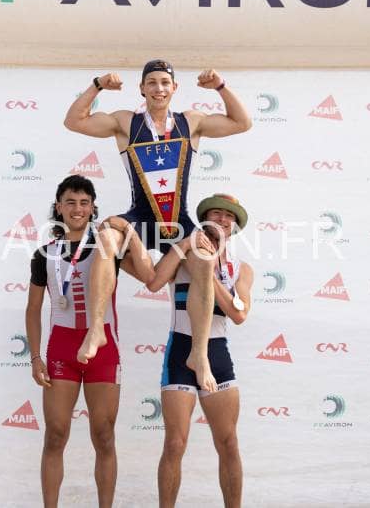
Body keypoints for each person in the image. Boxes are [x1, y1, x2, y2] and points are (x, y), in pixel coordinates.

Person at [63, 59, 252, 393]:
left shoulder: (191, 122)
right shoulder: (126, 122)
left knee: (204, 259)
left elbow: (242, 122)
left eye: (165, 82)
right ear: (142, 88)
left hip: (178, 221)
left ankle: (199, 354)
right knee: (106, 238)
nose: (159, 88)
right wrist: (98, 85)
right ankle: (96, 329)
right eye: (151, 82)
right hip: (141, 215)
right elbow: (74, 121)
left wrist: (220, 86)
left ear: (174, 88)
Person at [25, 175, 152, 508]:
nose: (77, 209)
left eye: (84, 202)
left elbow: (150, 277)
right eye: (70, 202)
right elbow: (33, 309)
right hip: (62, 351)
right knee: (55, 435)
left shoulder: (108, 246)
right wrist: (35, 358)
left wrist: (129, 232)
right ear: (58, 207)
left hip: (104, 350)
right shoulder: (44, 254)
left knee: (104, 436)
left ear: (93, 207)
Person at [146, 193, 254, 508]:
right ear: (205, 219)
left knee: (228, 442)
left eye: (228, 216)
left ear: (234, 226)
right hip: (180, 351)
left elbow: (239, 315)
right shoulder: (184, 253)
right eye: (216, 213)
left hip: (217, 354)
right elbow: (154, 283)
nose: (222, 219)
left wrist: (206, 271)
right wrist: (185, 246)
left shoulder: (242, 269)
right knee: (175, 443)